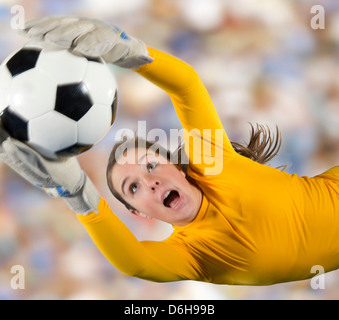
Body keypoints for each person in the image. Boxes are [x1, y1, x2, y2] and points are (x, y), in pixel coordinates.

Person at [1, 16, 338, 285]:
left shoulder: (217, 166)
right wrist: (77, 194)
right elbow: (136, 262)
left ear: (179, 168)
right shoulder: (191, 256)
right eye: (132, 188)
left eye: (150, 166)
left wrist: (126, 49)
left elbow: (187, 86)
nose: (149, 182)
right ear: (140, 214)